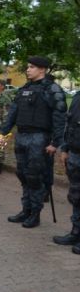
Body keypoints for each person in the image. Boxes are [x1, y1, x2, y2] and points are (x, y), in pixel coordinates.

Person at [0, 56, 67, 228]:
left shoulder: (52, 89)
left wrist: (55, 143)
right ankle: (25, 210)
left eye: (32, 67)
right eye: (27, 66)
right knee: (22, 174)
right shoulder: (24, 89)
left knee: (34, 177)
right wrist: (2, 133)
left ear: (42, 69)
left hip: (39, 138)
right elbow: (13, 113)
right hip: (21, 136)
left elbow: (59, 118)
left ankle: (35, 214)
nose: (28, 69)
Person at [54, 90, 80, 254]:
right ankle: (76, 232)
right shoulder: (78, 96)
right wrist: (64, 148)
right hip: (75, 154)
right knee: (76, 196)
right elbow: (69, 123)